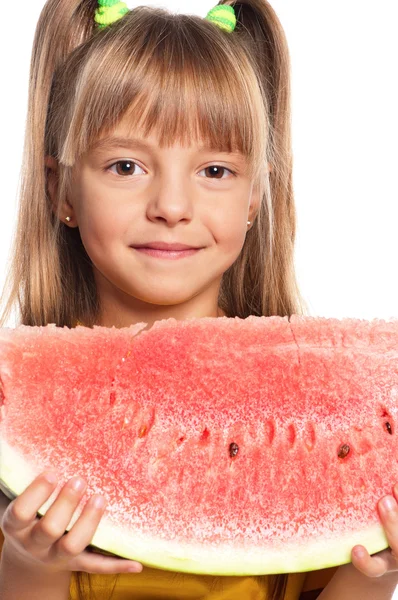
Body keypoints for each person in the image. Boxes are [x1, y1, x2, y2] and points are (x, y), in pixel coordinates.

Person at [1, 0, 398, 599]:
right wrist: (31, 567)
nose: (172, 205)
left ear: (256, 198)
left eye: (215, 171)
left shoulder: (317, 412)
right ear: (62, 191)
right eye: (126, 165)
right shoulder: (16, 413)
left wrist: (377, 573)